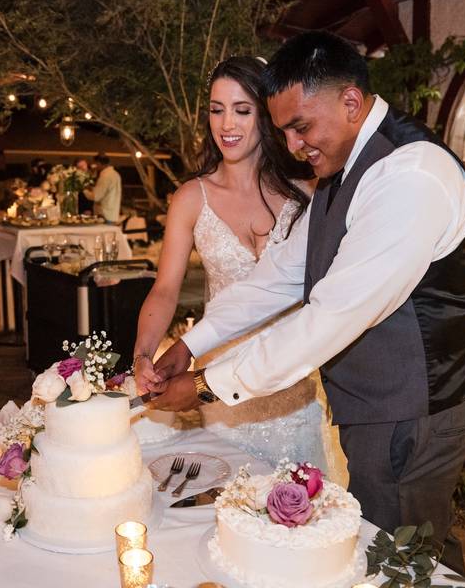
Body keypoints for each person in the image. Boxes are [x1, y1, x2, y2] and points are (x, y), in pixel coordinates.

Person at [141, 32, 465, 574]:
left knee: (402, 565)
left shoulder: (410, 175)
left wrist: (210, 385)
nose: (292, 146)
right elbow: (279, 277)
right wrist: (192, 343)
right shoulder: (343, 168)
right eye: (282, 130)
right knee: (409, 555)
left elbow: (333, 314)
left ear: (350, 101)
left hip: (416, 414)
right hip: (382, 411)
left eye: (300, 127)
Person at [132, 56, 329, 470]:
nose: (227, 125)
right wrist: (144, 354)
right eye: (217, 110)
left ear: (267, 115)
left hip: (292, 391)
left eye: (242, 110)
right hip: (217, 390)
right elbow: (166, 289)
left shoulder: (308, 192)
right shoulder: (191, 198)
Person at [83, 153, 121, 223]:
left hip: (104, 215)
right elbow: (106, 192)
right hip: (112, 213)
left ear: (99, 163)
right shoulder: (115, 174)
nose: (94, 166)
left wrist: (84, 190)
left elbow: (96, 196)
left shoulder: (105, 176)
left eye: (95, 164)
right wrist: (92, 188)